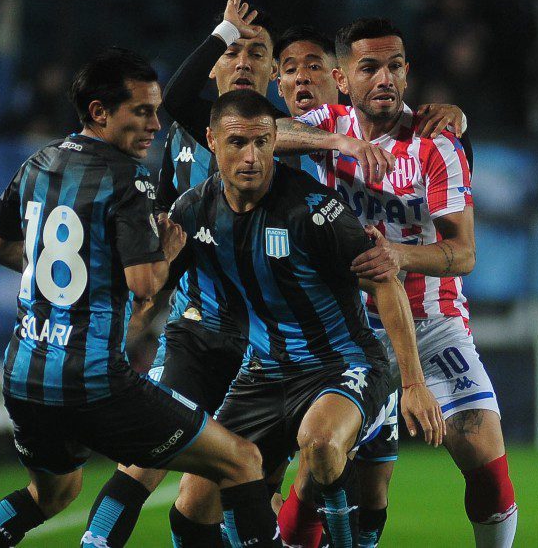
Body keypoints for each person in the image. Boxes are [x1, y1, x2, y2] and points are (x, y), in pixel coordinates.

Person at [80, 0, 400, 546]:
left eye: (259, 52)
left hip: (282, 339)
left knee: (273, 479)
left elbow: (350, 113)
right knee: (162, 471)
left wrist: (443, 120)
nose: (245, 60)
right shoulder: (187, 132)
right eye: (233, 49)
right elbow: (161, 246)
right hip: (203, 332)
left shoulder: (299, 137)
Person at [0, 47, 278, 548]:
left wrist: (78, 272)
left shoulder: (38, 163)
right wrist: (169, 250)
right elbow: (147, 285)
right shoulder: (129, 179)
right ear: (100, 113)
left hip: (24, 376)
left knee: (52, 495)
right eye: (142, 111)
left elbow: (0, 247)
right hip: (94, 384)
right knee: (240, 460)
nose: (154, 123)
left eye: (156, 110)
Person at [276, 18, 518, 548]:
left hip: (432, 323)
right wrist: (337, 139)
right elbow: (261, 135)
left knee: (483, 450)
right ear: (343, 79)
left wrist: (397, 254)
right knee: (318, 474)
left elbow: (463, 253)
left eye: (394, 66)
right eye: (369, 67)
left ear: (407, 73)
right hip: (345, 331)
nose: (385, 78)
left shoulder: (438, 146)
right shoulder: (324, 125)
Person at [167, 89, 445, 548]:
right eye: (238, 143)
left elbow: (386, 282)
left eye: (262, 142)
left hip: (345, 366)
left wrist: (414, 384)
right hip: (265, 373)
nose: (252, 156)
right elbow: (148, 288)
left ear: (276, 140)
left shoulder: (315, 212)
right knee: (194, 501)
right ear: (212, 142)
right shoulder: (194, 211)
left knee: (319, 443)